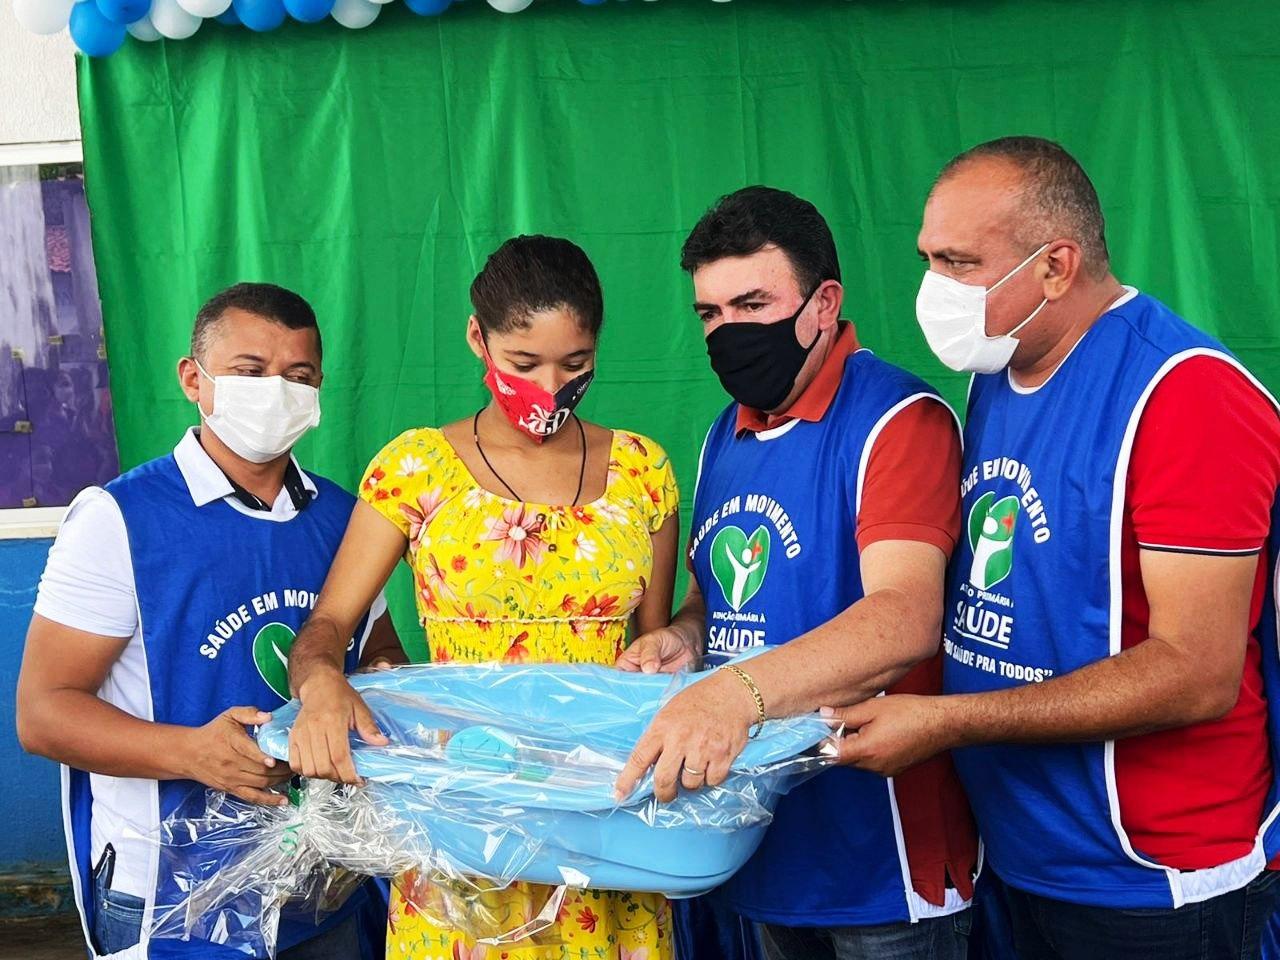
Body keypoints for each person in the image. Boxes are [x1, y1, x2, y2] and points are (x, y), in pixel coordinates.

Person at [826, 136, 1280, 959]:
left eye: (960, 263)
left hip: (1150, 881)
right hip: (1022, 856)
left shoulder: (1185, 396)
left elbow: (1199, 670)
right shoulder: (997, 369)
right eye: (929, 258)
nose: (936, 289)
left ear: (1055, 267)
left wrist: (946, 723)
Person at [282, 235, 682, 960]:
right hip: (464, 822)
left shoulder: (641, 471)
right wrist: (319, 684)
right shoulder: (415, 469)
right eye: (524, 364)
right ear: (478, 337)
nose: (550, 388)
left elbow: (657, 661)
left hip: (605, 821)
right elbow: (330, 623)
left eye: (576, 365)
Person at [616, 187, 977, 960]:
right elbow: (714, 602)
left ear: (824, 303)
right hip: (757, 845)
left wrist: (731, 693)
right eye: (710, 314)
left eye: (751, 303)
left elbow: (905, 618)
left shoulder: (898, 420)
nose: (728, 333)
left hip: (880, 865)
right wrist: (682, 641)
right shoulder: (724, 435)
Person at [16, 282, 402, 960]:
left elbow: (377, 661)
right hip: (170, 894)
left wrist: (385, 688)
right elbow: (43, 713)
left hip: (327, 882)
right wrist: (192, 753)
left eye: (299, 376)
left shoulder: (346, 519)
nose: (275, 391)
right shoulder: (119, 520)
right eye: (250, 372)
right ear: (194, 379)